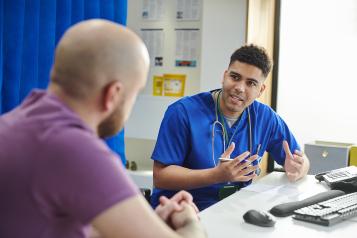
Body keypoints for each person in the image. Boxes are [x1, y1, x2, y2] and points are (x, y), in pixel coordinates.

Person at [0, 19, 206, 238]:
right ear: (113, 94)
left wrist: (148, 223)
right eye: (134, 93)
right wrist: (189, 223)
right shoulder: (76, 150)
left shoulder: (14, 123)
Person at [151, 44, 310, 211]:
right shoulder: (183, 112)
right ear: (224, 76)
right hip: (181, 214)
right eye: (235, 77)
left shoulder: (265, 118)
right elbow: (161, 176)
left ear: (260, 90)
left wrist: (299, 168)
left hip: (233, 212)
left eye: (251, 83)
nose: (240, 88)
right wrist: (216, 176)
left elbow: (301, 160)